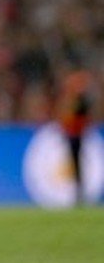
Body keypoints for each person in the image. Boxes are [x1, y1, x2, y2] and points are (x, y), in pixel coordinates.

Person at [57, 66, 94, 204]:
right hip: (73, 133)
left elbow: (77, 116)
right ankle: (78, 191)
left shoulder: (79, 100)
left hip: (76, 134)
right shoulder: (73, 99)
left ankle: (80, 192)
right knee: (75, 162)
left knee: (77, 162)